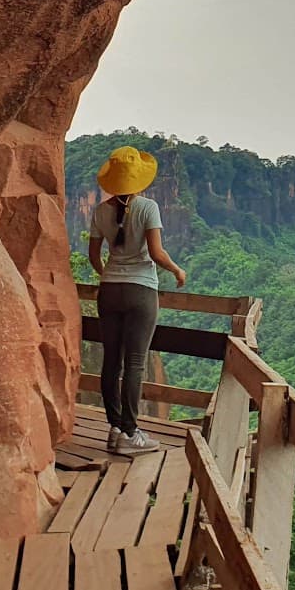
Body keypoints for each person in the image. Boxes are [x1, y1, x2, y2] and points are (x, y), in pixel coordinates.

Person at [88, 146, 187, 455]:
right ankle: (131, 433)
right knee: (134, 363)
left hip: (109, 291)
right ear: (138, 179)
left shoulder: (100, 211)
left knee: (111, 361)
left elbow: (94, 255)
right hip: (141, 290)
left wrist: (109, 274)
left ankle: (115, 429)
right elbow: (156, 253)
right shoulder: (148, 207)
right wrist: (177, 270)